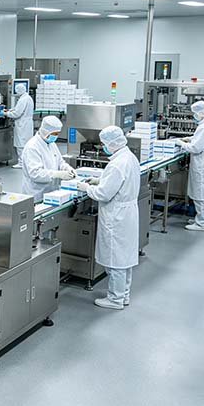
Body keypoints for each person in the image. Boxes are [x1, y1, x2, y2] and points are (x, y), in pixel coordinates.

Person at [77, 126, 140, 310]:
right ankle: (123, 295)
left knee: (115, 259)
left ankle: (115, 299)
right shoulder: (128, 157)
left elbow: (104, 194)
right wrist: (100, 180)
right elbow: (117, 182)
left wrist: (86, 187)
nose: (103, 147)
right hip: (127, 213)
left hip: (116, 215)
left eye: (104, 144)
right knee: (124, 258)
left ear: (112, 143)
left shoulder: (117, 164)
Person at [175, 101, 204, 231]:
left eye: (194, 113)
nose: (194, 116)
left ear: (200, 113)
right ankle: (201, 218)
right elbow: (200, 139)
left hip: (203, 164)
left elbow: (196, 148)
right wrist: (190, 138)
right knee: (203, 192)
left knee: (202, 193)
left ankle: (202, 223)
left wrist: (180, 143)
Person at [21, 115, 76, 202]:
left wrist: (67, 168)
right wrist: (57, 174)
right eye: (54, 134)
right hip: (36, 194)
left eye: (58, 134)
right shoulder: (32, 147)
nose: (56, 136)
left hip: (52, 193)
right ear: (45, 131)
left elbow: (60, 161)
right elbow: (35, 174)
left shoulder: (51, 143)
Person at [3, 83, 34, 169]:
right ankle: (26, 162)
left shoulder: (23, 99)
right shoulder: (28, 98)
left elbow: (17, 113)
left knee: (20, 144)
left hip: (22, 124)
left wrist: (6, 114)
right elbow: (18, 109)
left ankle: (21, 162)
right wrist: (10, 110)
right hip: (27, 123)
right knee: (25, 143)